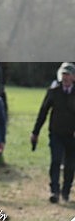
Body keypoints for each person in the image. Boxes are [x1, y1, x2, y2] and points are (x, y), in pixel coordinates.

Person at [31, 62, 75, 203]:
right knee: (55, 160)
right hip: (56, 133)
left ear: (73, 77)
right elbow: (43, 112)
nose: (65, 77)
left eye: (68, 75)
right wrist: (35, 132)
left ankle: (66, 191)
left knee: (70, 165)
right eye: (63, 75)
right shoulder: (53, 91)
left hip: (72, 135)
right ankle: (54, 191)